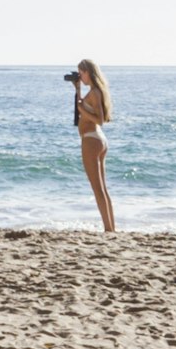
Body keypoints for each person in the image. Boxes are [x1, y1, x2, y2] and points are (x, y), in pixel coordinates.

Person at [65, 59, 118, 234]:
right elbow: (84, 110)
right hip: (97, 140)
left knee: (98, 189)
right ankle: (111, 228)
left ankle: (108, 229)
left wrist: (82, 110)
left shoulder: (95, 92)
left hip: (91, 140)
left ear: (89, 72)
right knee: (102, 188)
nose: (80, 76)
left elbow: (100, 120)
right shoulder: (94, 91)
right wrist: (78, 91)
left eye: (81, 73)